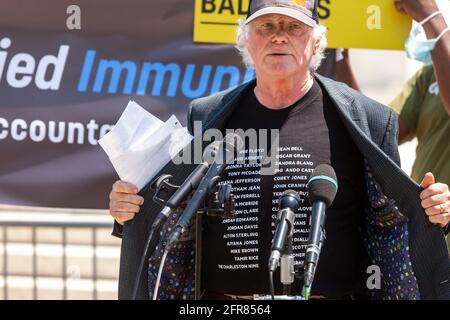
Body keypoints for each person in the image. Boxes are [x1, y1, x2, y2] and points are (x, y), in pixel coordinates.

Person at [108, 0, 450, 300]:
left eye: (293, 27)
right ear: (246, 41)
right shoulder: (208, 115)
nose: (279, 36)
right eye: (266, 26)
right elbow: (176, 208)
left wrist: (432, 208)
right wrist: (131, 208)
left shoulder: (367, 120)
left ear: (316, 43)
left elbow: (392, 220)